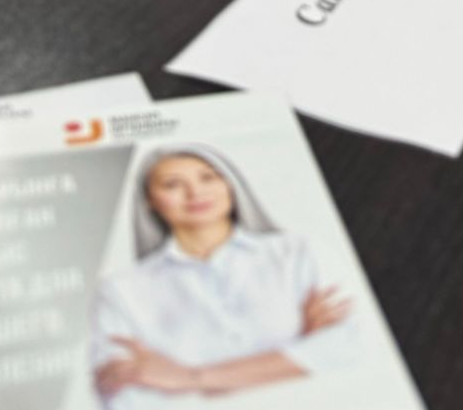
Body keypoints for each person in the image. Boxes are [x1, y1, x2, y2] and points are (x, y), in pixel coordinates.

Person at [92, 147, 352, 404]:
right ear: (149, 200)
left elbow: (342, 347)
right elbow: (124, 393)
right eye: (172, 185)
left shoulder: (298, 252)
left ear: (230, 184)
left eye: (208, 177)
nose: (195, 192)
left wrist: (189, 378)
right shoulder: (119, 290)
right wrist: (295, 352)